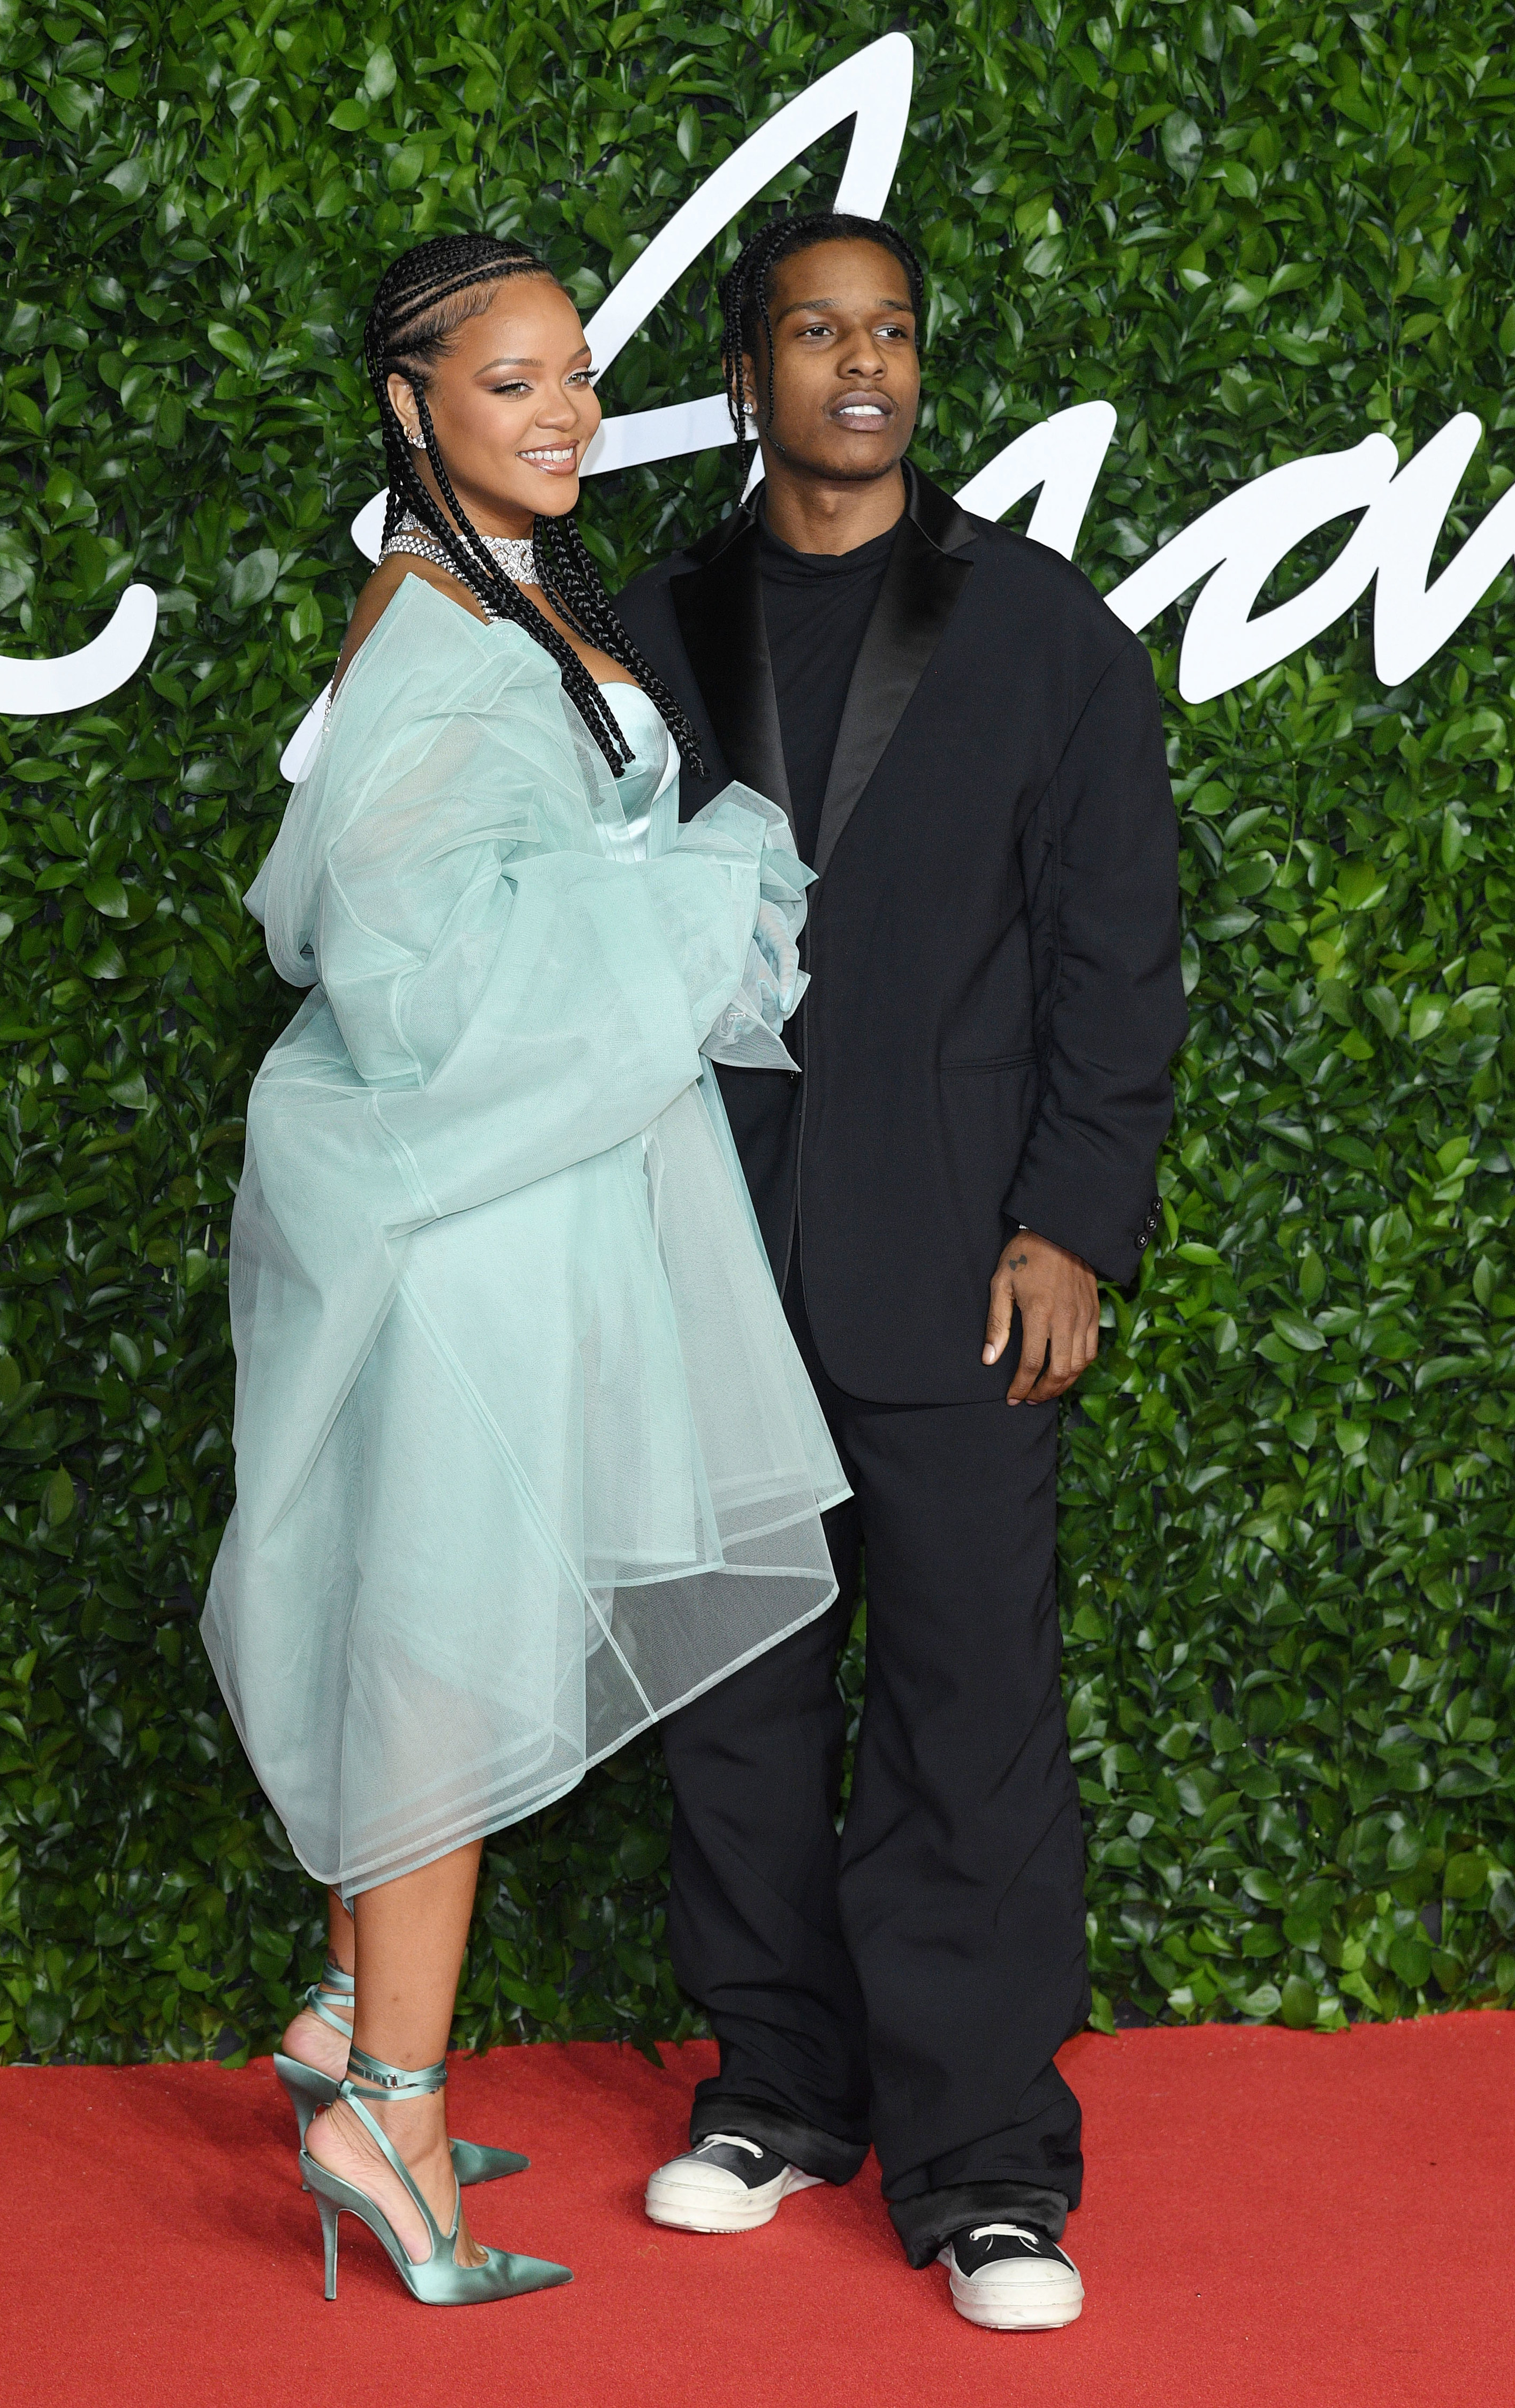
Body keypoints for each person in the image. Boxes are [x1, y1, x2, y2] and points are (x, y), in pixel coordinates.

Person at [200, 232, 848, 2307]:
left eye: (576, 373)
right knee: (445, 1658)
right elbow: (409, 980)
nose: (567, 411)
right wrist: (679, 915)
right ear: (411, 407)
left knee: (438, 1629)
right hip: (460, 1238)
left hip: (517, 1215)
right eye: (513, 382)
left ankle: (345, 2035)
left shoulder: (511, 601)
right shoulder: (432, 634)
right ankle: (389, 2114)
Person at [615, 210, 1186, 2332]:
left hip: (960, 1267)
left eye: (895, 335)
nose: (862, 367)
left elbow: (1121, 961)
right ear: (749, 369)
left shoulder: (1046, 635)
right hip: (702, 1255)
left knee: (969, 1711)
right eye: (815, 332)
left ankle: (987, 2173)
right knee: (737, 1708)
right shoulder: (649, 622)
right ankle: (774, 2088)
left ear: (919, 373)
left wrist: (1072, 1223)